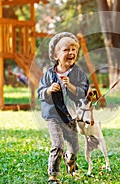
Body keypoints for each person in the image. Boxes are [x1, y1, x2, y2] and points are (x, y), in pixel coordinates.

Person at [37, 32, 89, 182]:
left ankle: (70, 162)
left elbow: (82, 92)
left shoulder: (78, 73)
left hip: (70, 116)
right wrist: (48, 90)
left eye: (74, 49)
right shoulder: (49, 74)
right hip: (53, 115)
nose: (71, 52)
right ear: (55, 56)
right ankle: (53, 175)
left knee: (74, 148)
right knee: (58, 144)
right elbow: (40, 93)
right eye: (66, 50)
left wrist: (70, 86)